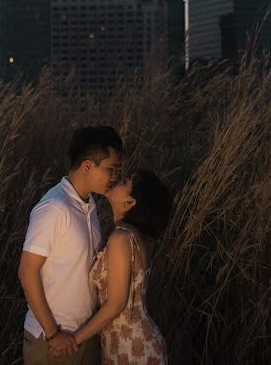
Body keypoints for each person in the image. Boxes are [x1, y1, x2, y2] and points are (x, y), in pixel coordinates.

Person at [18, 126, 124, 364]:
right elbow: (27, 271)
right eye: (111, 169)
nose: (115, 177)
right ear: (88, 166)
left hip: (83, 336)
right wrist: (54, 333)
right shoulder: (55, 207)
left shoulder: (89, 206)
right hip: (51, 340)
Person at [62, 169, 173, 365]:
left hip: (132, 346)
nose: (117, 180)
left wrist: (74, 339)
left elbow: (116, 304)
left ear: (129, 202)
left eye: (124, 182)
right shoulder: (136, 236)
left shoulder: (121, 238)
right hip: (129, 342)